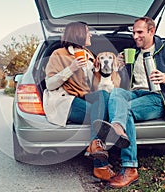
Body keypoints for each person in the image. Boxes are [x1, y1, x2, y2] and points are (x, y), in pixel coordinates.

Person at [94, 16, 165, 188]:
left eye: (140, 32)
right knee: (117, 92)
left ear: (151, 31)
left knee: (127, 110)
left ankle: (130, 168)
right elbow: (124, 78)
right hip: (136, 93)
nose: (135, 36)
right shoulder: (134, 53)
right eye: (133, 32)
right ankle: (118, 127)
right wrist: (120, 65)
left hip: (159, 97)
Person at [43, 21, 129, 182]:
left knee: (102, 96)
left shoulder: (89, 55)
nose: (90, 35)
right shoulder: (58, 54)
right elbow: (50, 84)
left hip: (85, 97)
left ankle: (94, 147)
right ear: (79, 34)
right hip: (65, 100)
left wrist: (116, 66)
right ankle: (100, 165)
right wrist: (72, 68)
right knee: (102, 117)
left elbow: (97, 83)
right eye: (88, 32)